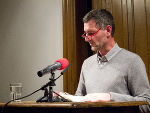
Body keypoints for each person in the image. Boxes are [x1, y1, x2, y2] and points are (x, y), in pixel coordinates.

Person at [75, 9, 150, 113]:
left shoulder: (133, 61)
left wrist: (110, 97)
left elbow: (146, 103)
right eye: (85, 34)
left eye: (91, 33)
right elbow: (79, 98)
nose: (86, 39)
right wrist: (63, 98)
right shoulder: (87, 63)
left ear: (108, 30)